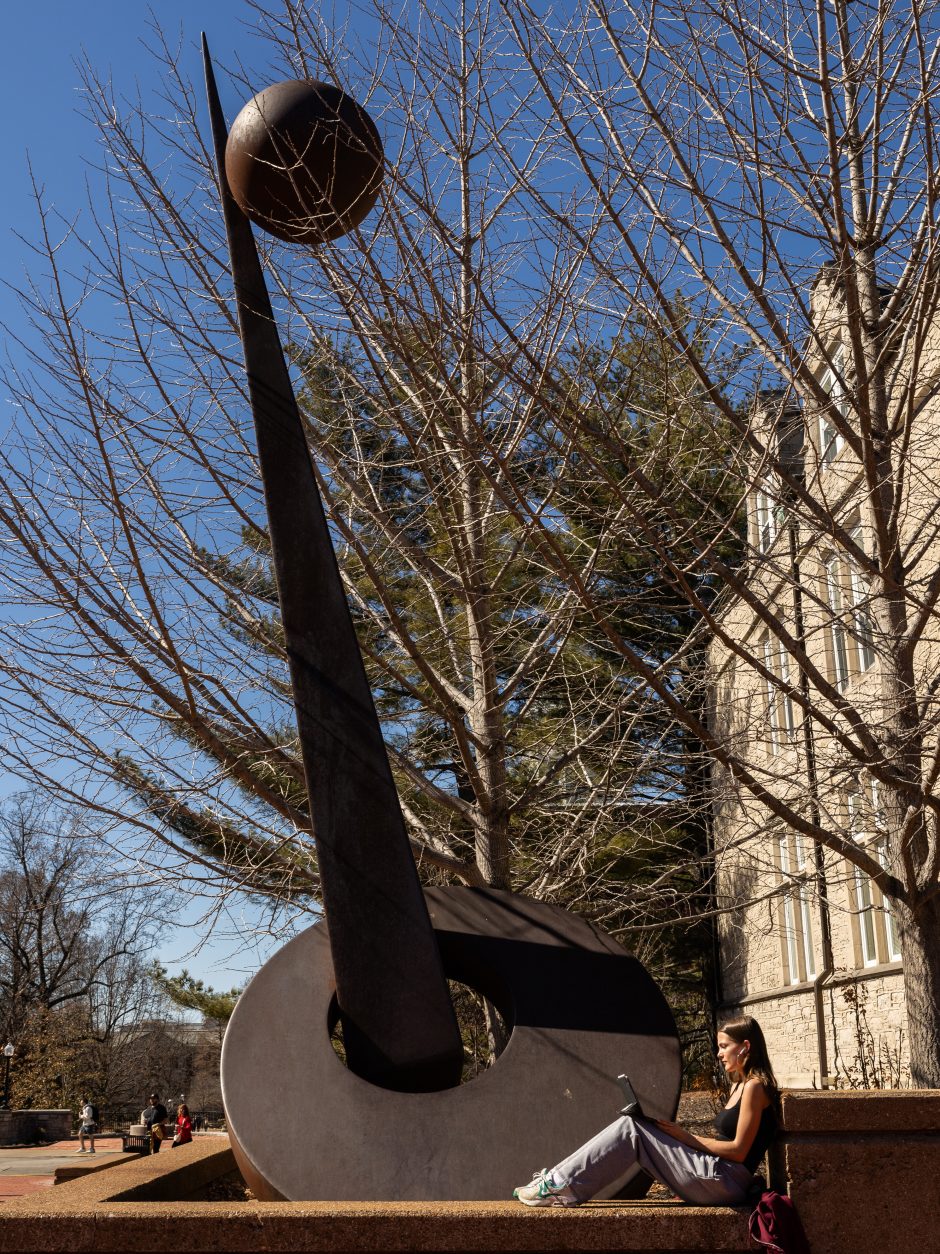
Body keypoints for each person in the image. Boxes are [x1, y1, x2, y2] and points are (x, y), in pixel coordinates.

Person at [513, 1015, 780, 1207]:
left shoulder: (756, 1087)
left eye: (724, 1047)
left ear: (745, 1046)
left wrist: (684, 1137)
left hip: (725, 1181)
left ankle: (558, 1187)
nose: (719, 1054)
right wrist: (675, 1139)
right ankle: (556, 1183)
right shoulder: (740, 1086)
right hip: (715, 1175)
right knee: (635, 1125)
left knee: (631, 1129)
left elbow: (738, 1150)